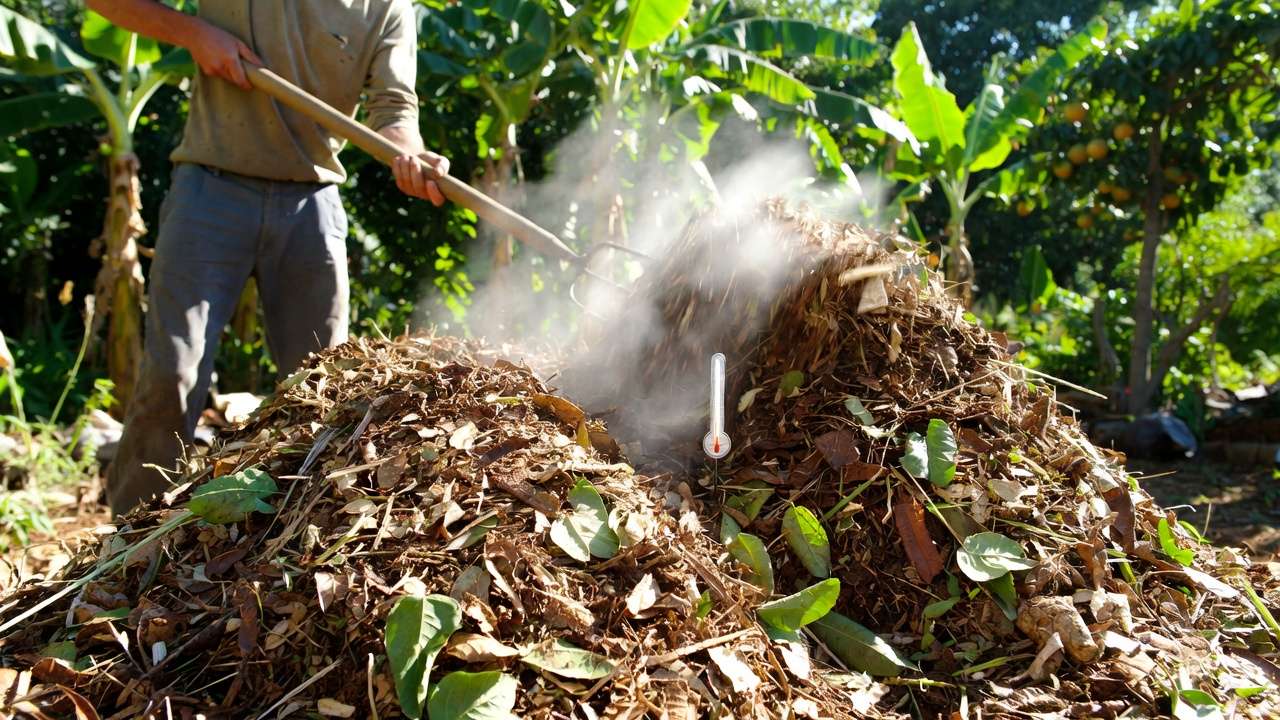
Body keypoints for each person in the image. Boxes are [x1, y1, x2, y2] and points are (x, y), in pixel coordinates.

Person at [88, 0, 450, 514]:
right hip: (210, 190)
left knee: (321, 387)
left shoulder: (386, 8)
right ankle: (128, 541)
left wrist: (409, 154)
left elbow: (394, 111)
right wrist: (196, 33)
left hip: (311, 201)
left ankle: (297, 538)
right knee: (172, 375)